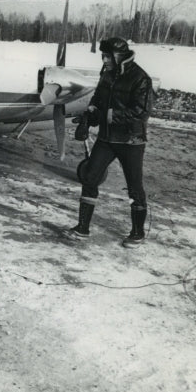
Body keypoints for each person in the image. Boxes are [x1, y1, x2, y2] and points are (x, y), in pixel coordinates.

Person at [65, 36, 154, 247]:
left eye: (107, 56)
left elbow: (141, 112)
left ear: (118, 56)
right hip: (107, 138)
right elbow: (98, 100)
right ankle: (82, 228)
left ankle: (137, 232)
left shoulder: (140, 78)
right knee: (90, 178)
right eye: (103, 56)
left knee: (134, 187)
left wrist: (107, 116)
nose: (103, 60)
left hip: (131, 140)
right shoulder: (107, 74)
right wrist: (88, 118)